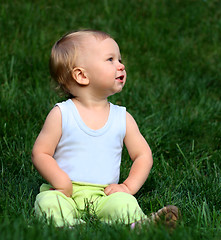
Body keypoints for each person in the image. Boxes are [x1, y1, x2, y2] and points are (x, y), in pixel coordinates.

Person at [31, 29, 179, 228]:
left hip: (104, 194)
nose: (121, 65)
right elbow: (41, 152)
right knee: (48, 202)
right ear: (82, 75)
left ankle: (141, 226)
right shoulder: (62, 114)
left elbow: (143, 155)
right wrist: (61, 182)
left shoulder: (121, 118)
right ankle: (66, 227)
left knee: (124, 203)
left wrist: (127, 187)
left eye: (119, 59)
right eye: (110, 60)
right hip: (64, 191)